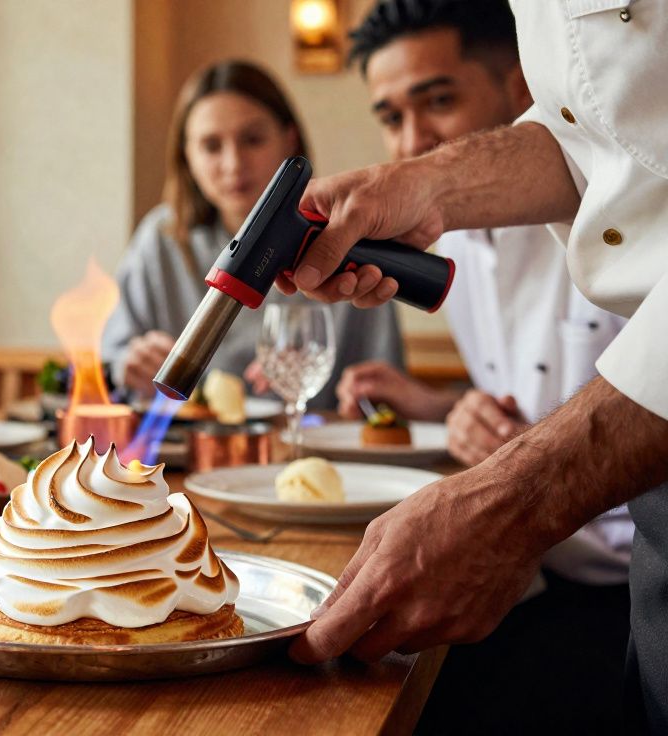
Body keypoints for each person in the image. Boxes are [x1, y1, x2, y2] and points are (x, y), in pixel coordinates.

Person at [278, 1, 668, 729]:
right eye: (391, 116)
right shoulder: (443, 250)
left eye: (440, 100)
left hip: (595, 572)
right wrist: (432, 184)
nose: (411, 137)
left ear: (515, 85)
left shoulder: (594, 249)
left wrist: (510, 502)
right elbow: (593, 143)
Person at [100, 60, 403, 407]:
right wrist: (128, 364)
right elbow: (110, 363)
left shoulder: (343, 237)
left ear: (289, 140)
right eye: (212, 146)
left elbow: (383, 393)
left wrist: (356, 392)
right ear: (188, 156)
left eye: (253, 139)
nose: (233, 164)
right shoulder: (159, 239)